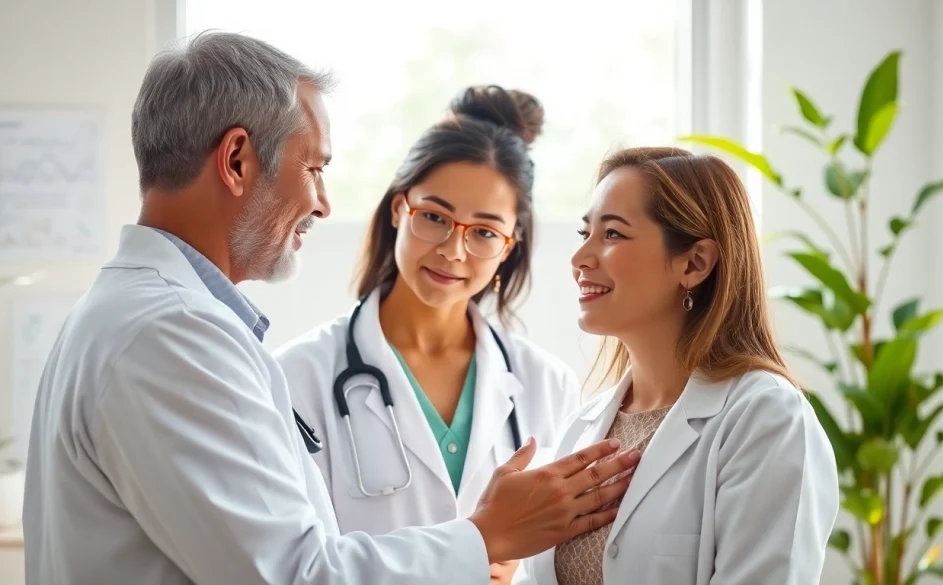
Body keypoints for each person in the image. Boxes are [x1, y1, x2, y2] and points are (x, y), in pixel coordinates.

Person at [22, 32, 642, 585]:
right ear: (237, 160)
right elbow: (297, 574)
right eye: (313, 167)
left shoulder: (138, 316)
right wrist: (483, 538)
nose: (322, 203)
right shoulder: (171, 335)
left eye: (485, 230)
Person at [275, 84, 576, 585]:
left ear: (509, 245)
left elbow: (561, 558)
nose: (453, 250)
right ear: (399, 210)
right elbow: (292, 565)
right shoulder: (297, 376)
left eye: (483, 231)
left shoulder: (549, 384)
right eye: (434, 217)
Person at [518, 147, 840, 585]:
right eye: (584, 232)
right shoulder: (584, 424)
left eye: (612, 234)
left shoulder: (766, 419)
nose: (580, 260)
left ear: (694, 263)